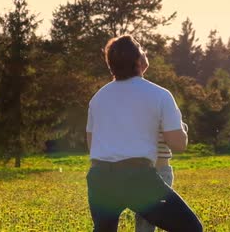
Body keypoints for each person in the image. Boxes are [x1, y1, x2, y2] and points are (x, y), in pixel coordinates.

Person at [85, 35, 203, 232]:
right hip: (137, 178)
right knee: (190, 228)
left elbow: (92, 144)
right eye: (141, 48)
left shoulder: (98, 98)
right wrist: (181, 129)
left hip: (100, 178)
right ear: (138, 60)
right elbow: (178, 144)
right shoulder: (159, 95)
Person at [134, 52, 187, 232]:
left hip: (134, 171)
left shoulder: (127, 103)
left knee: (145, 222)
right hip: (158, 170)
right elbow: (178, 139)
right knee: (147, 224)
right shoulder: (160, 97)